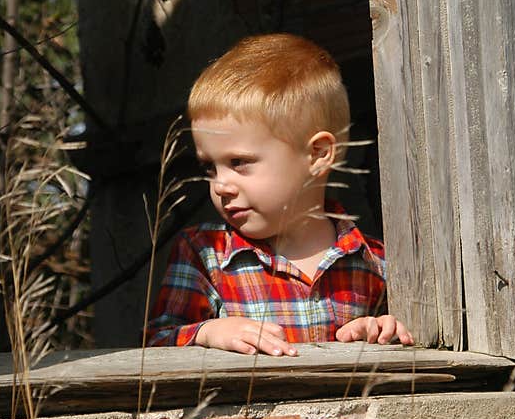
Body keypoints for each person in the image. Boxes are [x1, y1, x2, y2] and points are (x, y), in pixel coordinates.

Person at [145, 33, 413, 355]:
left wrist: (379, 330)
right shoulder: (206, 256)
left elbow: (408, 347)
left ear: (317, 155)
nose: (220, 185)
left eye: (239, 162)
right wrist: (208, 332)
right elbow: (155, 348)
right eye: (210, 168)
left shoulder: (376, 262)